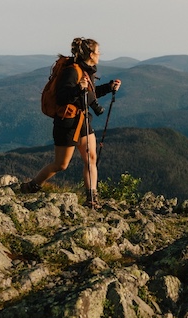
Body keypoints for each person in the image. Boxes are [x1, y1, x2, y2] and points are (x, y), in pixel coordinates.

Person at [22, 37, 121, 208]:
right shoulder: (72, 71)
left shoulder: (87, 70)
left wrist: (109, 87)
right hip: (67, 123)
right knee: (61, 164)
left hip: (82, 120)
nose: (100, 55)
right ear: (91, 54)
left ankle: (92, 199)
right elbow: (62, 97)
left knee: (91, 158)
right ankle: (32, 186)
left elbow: (89, 94)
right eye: (98, 52)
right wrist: (78, 88)